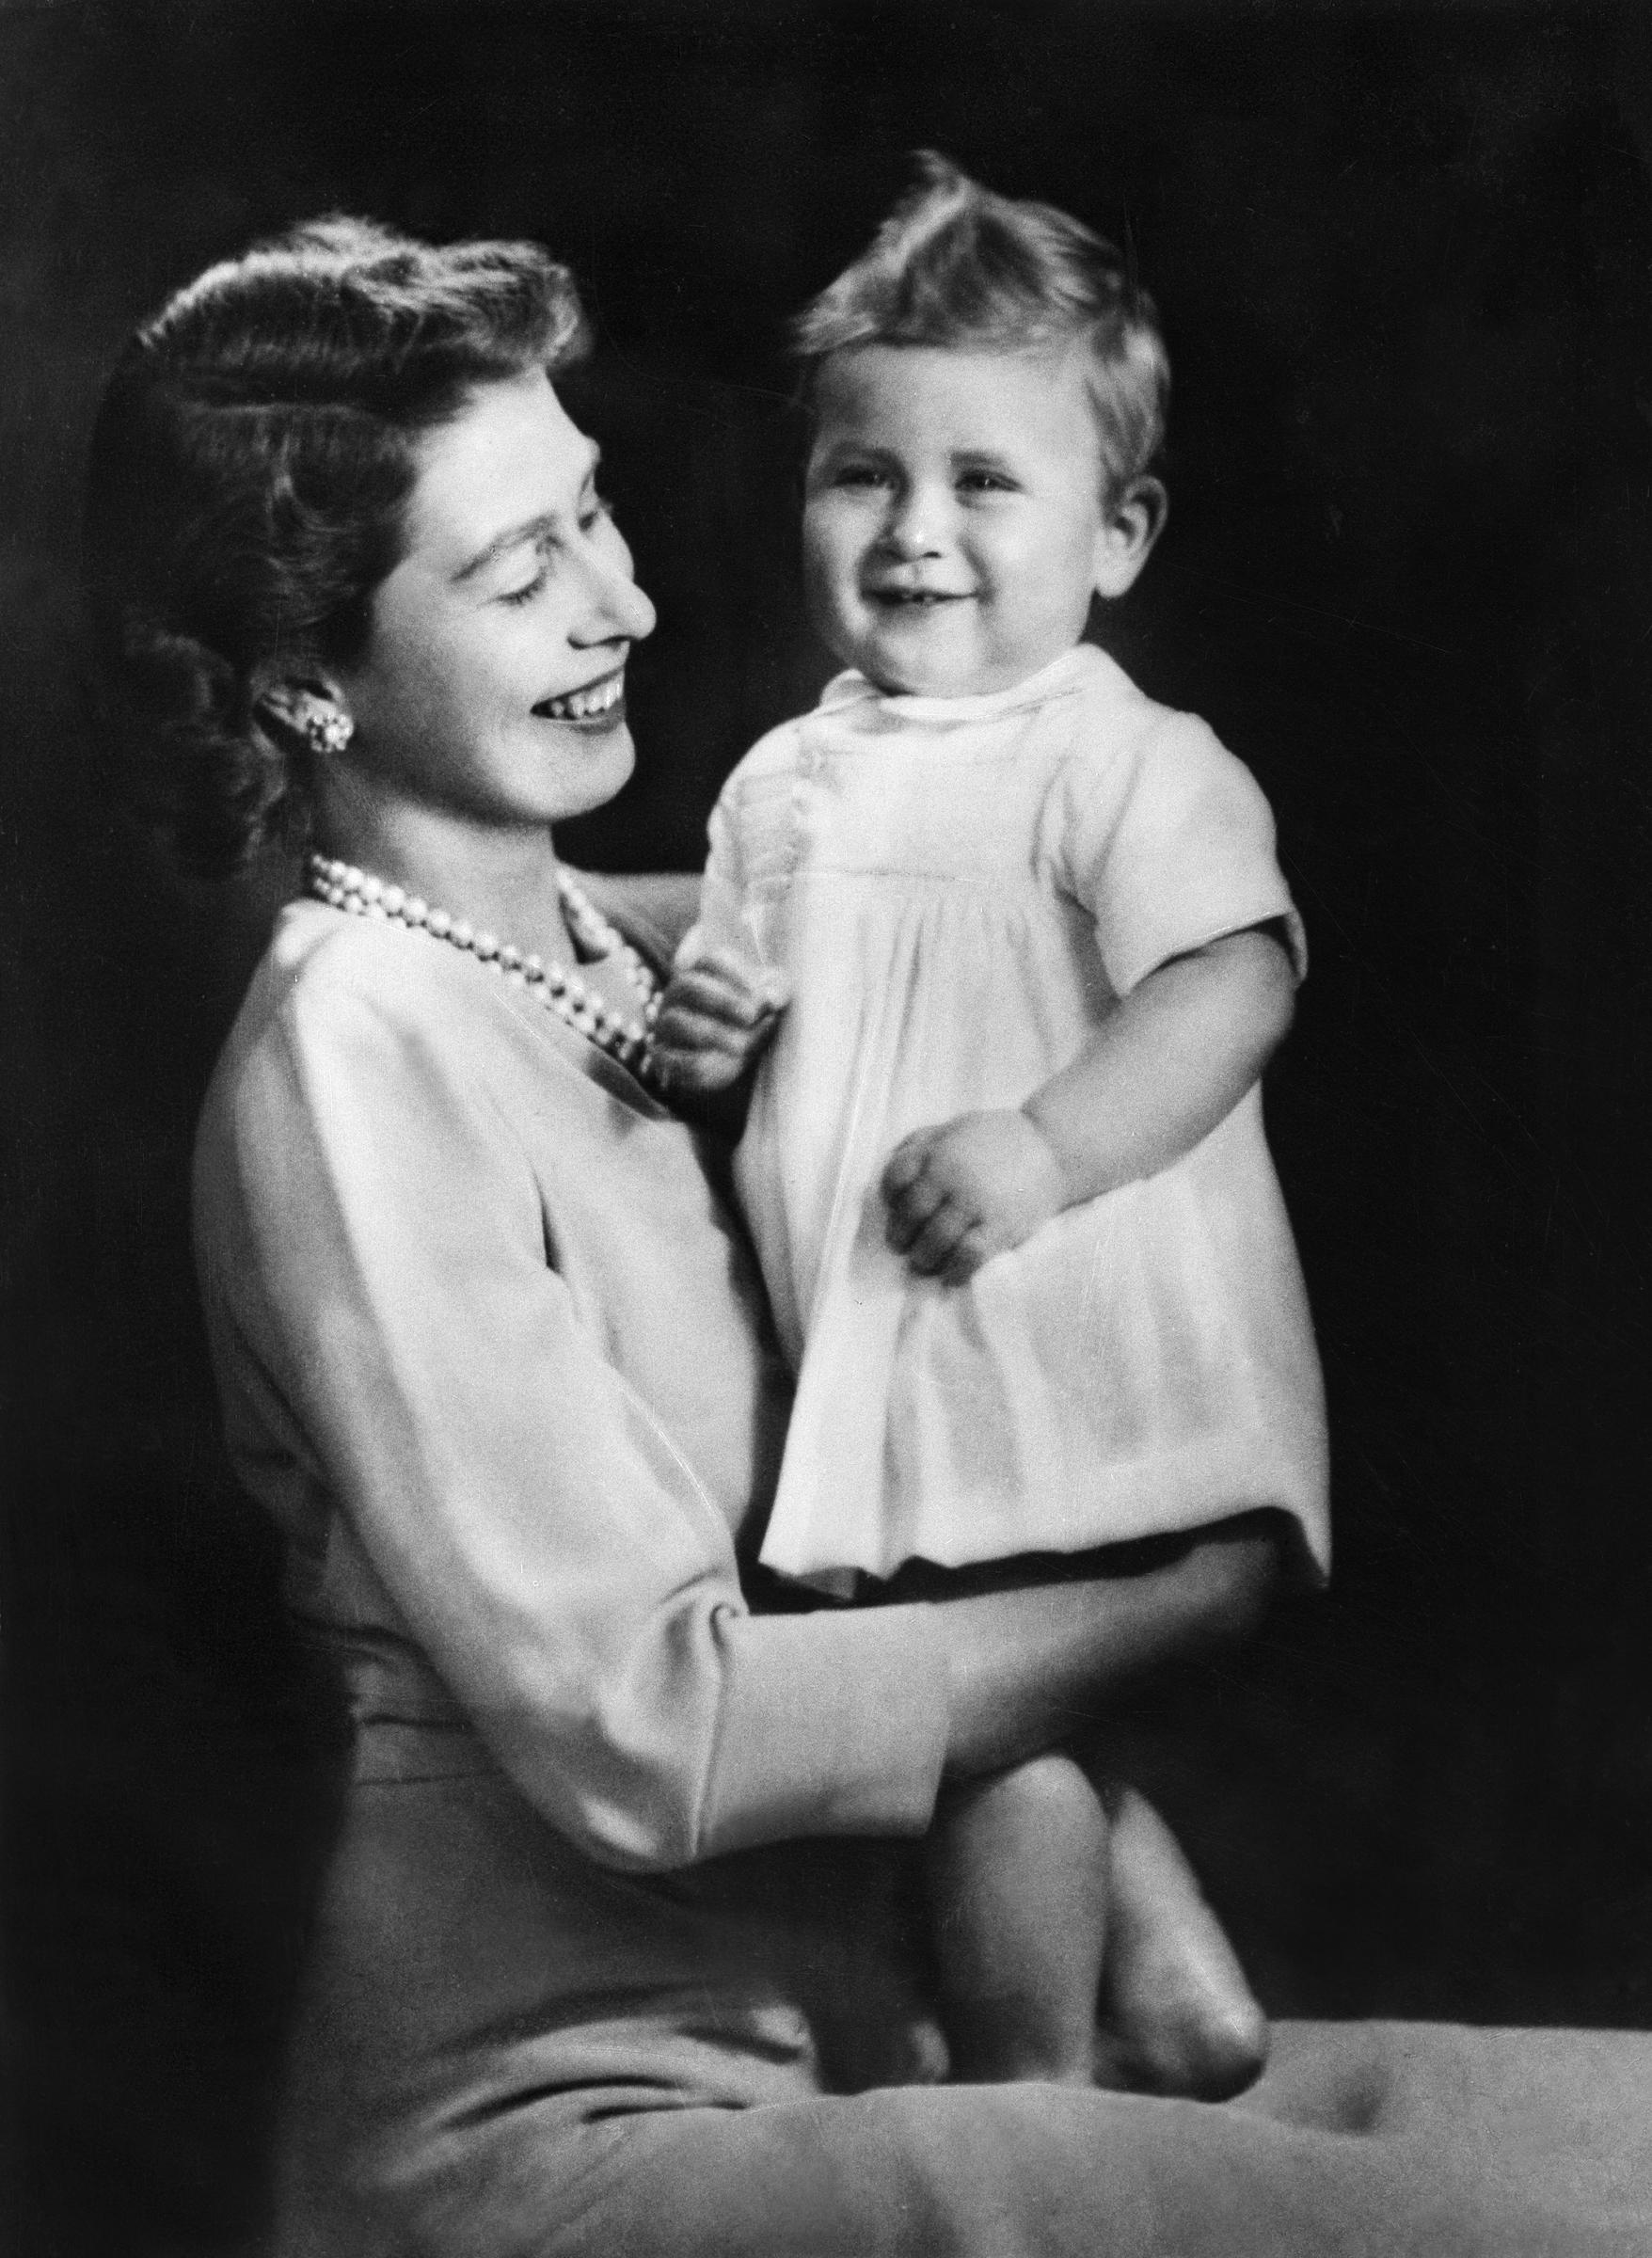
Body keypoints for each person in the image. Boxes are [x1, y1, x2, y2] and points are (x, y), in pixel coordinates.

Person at [81, 215, 1652, 2258]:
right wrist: (1177, 1606)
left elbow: (1020, 923)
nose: (620, 602)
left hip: (888, 2026)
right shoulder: (355, 1060)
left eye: (597, 518)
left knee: (1612, 2141)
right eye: (517, 568)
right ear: (305, 684)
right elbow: (652, 1735)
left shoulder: (594, 939)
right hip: (564, 2133)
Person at [653, 155, 1328, 2091]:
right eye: (861, 473)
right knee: (1005, 1701)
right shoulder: (781, 779)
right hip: (900, 1362)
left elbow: (1232, 983)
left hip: (1061, 1339)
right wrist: (711, 1028)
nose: (914, 531)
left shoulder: (1112, 756)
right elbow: (748, 1014)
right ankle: (1177, 2000)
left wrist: (1044, 1144)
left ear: (1115, 535)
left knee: (975, 1721)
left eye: (982, 482)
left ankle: (1028, 2096)